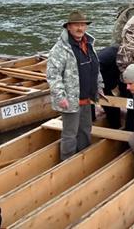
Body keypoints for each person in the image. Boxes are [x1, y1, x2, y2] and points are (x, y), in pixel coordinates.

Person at [47, 10, 104, 161]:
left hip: (87, 97)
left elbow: (95, 68)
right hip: (70, 100)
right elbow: (53, 76)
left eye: (83, 25)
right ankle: (66, 164)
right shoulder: (59, 49)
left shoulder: (89, 45)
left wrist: (99, 86)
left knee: (86, 130)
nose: (80, 28)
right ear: (68, 27)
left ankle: (81, 161)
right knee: (69, 135)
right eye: (76, 25)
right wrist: (60, 97)